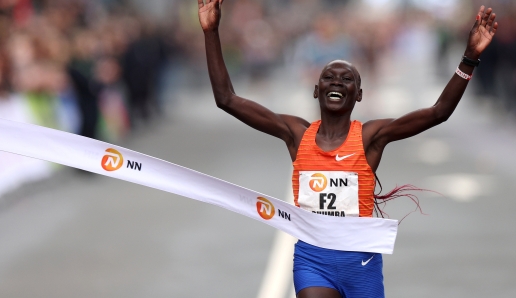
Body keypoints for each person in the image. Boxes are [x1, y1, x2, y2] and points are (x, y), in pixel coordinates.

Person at [197, 1, 498, 297]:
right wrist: (211, 31)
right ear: (317, 90)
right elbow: (227, 99)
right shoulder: (297, 134)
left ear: (359, 94)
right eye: (328, 77)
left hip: (361, 263)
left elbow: (438, 113)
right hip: (313, 260)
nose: (336, 82)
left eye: (347, 79)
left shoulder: (371, 137)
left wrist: (469, 58)